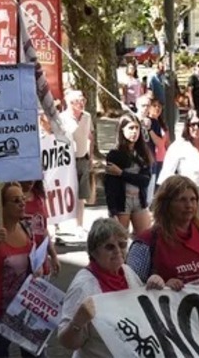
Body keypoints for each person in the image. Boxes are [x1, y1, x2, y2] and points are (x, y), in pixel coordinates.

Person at [126, 175, 199, 287]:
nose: (189, 205)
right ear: (166, 204)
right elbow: (132, 287)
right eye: (182, 200)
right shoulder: (146, 242)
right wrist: (162, 287)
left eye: (193, 199)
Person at [58, 219, 143, 357]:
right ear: (94, 252)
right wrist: (77, 322)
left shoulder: (127, 272)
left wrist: (154, 286)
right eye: (109, 247)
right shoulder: (83, 286)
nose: (118, 251)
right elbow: (66, 342)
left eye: (122, 245)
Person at [0, 183, 36, 357]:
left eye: (23, 199)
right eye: (16, 200)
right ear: (0, 207)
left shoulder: (26, 228)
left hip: (24, 308)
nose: (22, 204)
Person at [103, 114, 152, 234]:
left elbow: (145, 181)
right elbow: (110, 186)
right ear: (122, 130)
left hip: (139, 200)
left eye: (137, 128)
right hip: (122, 202)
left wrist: (121, 173)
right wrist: (112, 210)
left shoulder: (143, 153)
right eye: (131, 128)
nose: (134, 132)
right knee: (121, 238)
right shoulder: (114, 155)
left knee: (145, 238)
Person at [60, 90, 93, 240]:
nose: (82, 103)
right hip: (67, 162)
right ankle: (56, 224)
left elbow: (90, 136)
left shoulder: (87, 117)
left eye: (83, 100)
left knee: (81, 196)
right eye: (78, 101)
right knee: (63, 193)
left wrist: (90, 157)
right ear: (70, 103)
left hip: (82, 159)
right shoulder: (62, 118)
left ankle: (79, 226)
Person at [157, 110, 199, 191]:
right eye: (193, 124)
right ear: (187, 125)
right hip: (185, 194)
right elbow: (165, 177)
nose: (196, 128)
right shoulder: (178, 146)